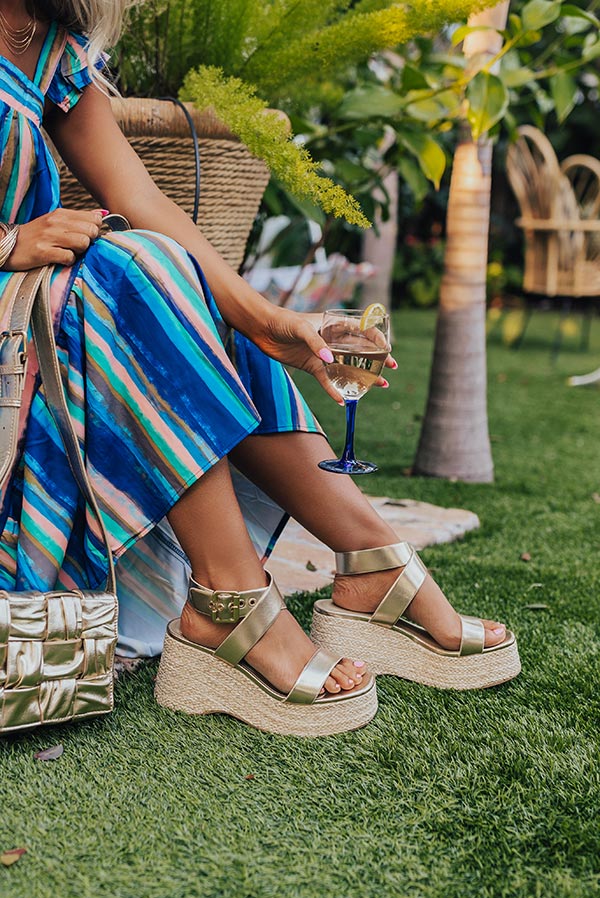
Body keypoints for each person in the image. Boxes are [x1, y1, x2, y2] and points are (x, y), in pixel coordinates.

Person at [0, 0, 520, 737]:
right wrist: (8, 241)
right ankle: (228, 599)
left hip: (25, 314)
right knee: (128, 271)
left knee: (179, 278)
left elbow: (137, 196)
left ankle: (371, 559)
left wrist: (272, 323)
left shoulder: (49, 40)